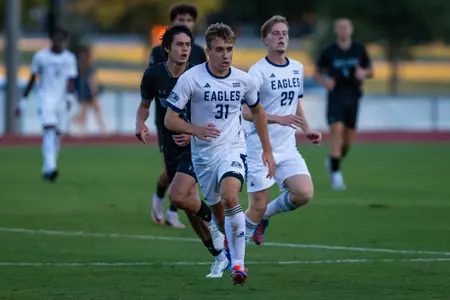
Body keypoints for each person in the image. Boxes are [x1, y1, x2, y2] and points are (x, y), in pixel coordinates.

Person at [164, 22, 275, 285]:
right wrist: (195, 129)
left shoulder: (243, 79)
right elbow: (170, 119)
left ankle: (239, 264)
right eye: (219, 50)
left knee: (230, 195)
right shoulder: (191, 79)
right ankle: (226, 247)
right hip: (203, 157)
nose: (225, 55)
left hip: (233, 150)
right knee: (219, 213)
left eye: (229, 49)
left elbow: (257, 111)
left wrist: (267, 150)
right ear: (209, 52)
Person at [136, 25, 229, 278]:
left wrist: (192, 132)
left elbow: (215, 114)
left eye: (188, 45)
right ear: (167, 48)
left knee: (178, 196)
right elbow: (144, 105)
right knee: (189, 207)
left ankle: (217, 225)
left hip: (197, 147)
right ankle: (220, 255)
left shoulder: (199, 77)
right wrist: (140, 123)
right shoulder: (153, 75)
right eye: (179, 45)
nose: (185, 49)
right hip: (170, 147)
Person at [242, 15, 322, 246]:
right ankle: (235, 257)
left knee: (304, 194)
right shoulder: (257, 72)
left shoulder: (297, 68)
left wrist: (307, 129)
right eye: (275, 34)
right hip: (259, 148)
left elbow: (295, 102)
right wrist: (278, 119)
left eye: (284, 34)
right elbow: (246, 111)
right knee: (254, 206)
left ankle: (265, 216)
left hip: (287, 148)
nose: (281, 38)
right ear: (265, 39)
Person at [148, 3, 207, 228]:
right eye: (181, 20)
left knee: (191, 173)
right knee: (169, 173)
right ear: (172, 23)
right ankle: (159, 199)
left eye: (189, 20)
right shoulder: (157, 53)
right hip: (167, 122)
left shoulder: (200, 52)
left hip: (193, 123)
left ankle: (173, 212)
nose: (185, 23)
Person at [314, 18, 373, 190]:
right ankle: (336, 176)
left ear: (351, 30)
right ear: (336, 30)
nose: (344, 30)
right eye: (340, 27)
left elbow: (370, 70)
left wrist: (364, 72)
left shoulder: (359, 49)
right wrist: (325, 83)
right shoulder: (330, 51)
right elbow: (317, 72)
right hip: (336, 97)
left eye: (346, 27)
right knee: (337, 132)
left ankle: (333, 161)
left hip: (353, 97)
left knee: (348, 141)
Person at [17, 28, 78, 182]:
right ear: (50, 39)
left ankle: (48, 168)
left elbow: (71, 80)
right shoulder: (41, 56)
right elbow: (32, 78)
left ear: (65, 41)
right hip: (45, 97)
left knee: (57, 134)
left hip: (61, 100)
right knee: (49, 129)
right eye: (55, 38)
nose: (58, 42)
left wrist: (70, 98)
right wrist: (23, 101)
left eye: (61, 39)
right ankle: (51, 166)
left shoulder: (69, 58)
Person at [73, 45, 107, 135]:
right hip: (85, 90)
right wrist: (94, 91)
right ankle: (100, 129)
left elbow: (92, 79)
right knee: (86, 111)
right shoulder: (81, 64)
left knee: (96, 110)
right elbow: (91, 80)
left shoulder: (86, 64)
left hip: (86, 90)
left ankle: (102, 129)